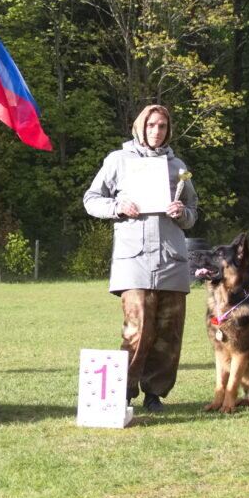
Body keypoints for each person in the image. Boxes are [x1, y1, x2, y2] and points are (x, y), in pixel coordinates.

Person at [83, 104, 198, 413]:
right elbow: (91, 200)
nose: (156, 131)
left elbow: (193, 212)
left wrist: (182, 213)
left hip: (172, 259)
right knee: (138, 328)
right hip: (133, 259)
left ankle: (154, 394)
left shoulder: (178, 166)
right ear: (140, 127)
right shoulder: (118, 161)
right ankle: (121, 393)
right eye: (151, 125)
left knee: (169, 332)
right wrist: (117, 207)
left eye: (162, 126)